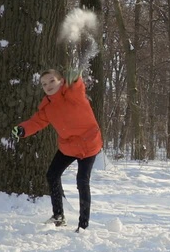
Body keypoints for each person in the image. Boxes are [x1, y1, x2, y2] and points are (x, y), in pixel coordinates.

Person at [11, 69, 102, 231]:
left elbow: (77, 87)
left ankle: (83, 225)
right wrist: (22, 129)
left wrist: (75, 78)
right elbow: (36, 122)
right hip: (68, 146)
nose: (48, 85)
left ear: (62, 81)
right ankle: (58, 216)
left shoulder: (73, 95)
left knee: (82, 181)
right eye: (44, 84)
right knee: (52, 175)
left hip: (89, 144)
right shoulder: (48, 107)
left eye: (52, 81)